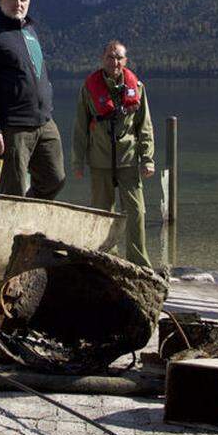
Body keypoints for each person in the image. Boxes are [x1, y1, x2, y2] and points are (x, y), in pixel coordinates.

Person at [0, 0, 65, 199]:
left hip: (44, 121)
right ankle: (12, 232)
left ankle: (28, 222)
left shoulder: (30, 32)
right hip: (13, 127)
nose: (18, 3)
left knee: (55, 178)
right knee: (13, 193)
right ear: (0, 0)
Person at [72, 40, 155, 267]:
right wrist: (77, 161)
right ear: (103, 59)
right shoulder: (89, 88)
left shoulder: (137, 87)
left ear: (125, 61)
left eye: (119, 57)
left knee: (136, 211)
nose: (114, 61)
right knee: (102, 213)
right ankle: (108, 260)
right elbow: (80, 127)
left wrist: (147, 158)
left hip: (128, 158)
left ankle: (139, 263)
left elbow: (144, 125)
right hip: (100, 160)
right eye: (110, 57)